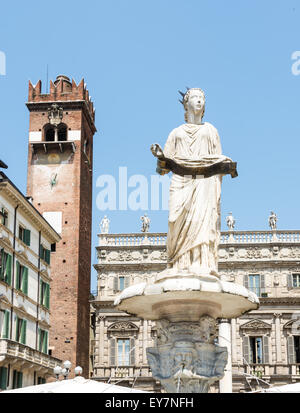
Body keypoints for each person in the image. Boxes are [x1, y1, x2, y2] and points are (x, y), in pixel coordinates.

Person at [151, 88, 233, 276]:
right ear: (185, 104)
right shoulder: (176, 133)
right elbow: (162, 169)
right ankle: (179, 262)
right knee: (176, 220)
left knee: (202, 221)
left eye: (202, 98)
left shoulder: (211, 130)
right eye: (195, 97)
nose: (199, 101)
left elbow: (217, 158)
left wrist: (225, 162)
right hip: (181, 181)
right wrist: (159, 156)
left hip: (204, 182)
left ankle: (201, 262)